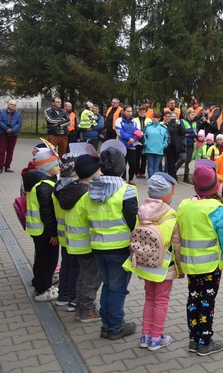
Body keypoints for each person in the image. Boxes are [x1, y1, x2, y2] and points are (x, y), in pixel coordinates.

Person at [84, 141, 139, 339]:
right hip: (119, 248)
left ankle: (106, 325)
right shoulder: (127, 190)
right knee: (118, 289)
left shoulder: (92, 189)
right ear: (121, 167)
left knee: (108, 285)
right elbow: (134, 221)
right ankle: (115, 326)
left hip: (98, 246)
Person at [176, 164, 223, 356]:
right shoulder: (218, 210)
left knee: (193, 299)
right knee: (207, 302)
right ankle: (205, 342)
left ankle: (193, 339)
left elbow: (178, 235)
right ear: (216, 186)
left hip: (190, 263)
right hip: (210, 266)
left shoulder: (184, 205)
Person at [123, 172, 181, 352]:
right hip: (163, 268)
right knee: (161, 301)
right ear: (169, 194)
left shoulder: (141, 212)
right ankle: (156, 338)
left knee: (149, 298)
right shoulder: (171, 217)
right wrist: (180, 268)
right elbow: (177, 247)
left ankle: (145, 336)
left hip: (144, 265)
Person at [58, 153, 103, 323]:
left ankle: (79, 307)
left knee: (83, 276)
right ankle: (86, 310)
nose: (101, 173)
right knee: (91, 278)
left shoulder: (70, 190)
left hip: (74, 242)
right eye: (98, 170)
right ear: (92, 173)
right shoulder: (87, 195)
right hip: (87, 243)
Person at [24, 147, 61, 301]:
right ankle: (42, 290)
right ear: (47, 167)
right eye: (56, 165)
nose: (59, 168)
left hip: (36, 229)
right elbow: (48, 212)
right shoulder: (45, 186)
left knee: (40, 257)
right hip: (45, 231)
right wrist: (53, 233)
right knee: (47, 259)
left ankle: (38, 280)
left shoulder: (35, 180)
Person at [53, 153, 82, 312]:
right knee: (77, 268)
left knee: (66, 264)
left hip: (63, 234)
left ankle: (62, 296)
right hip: (78, 235)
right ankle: (73, 299)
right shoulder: (79, 188)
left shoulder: (57, 186)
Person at [115, 105, 141, 185]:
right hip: (122, 145)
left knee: (133, 163)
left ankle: (131, 179)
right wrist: (129, 139)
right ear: (123, 111)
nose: (129, 113)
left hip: (132, 145)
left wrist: (133, 139)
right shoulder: (119, 120)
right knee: (123, 163)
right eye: (128, 111)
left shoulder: (135, 121)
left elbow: (138, 132)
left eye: (131, 111)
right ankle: (123, 178)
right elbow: (119, 132)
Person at [0, 99, 22, 174]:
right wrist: (6, 129)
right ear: (8, 105)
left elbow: (19, 123)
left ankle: (7, 167)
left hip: (13, 135)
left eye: (14, 105)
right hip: (3, 134)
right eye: (12, 104)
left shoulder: (18, 114)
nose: (13, 106)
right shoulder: (2, 112)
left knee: (10, 151)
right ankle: (0, 167)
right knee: (2, 151)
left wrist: (13, 130)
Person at [143, 112, 169, 177]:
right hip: (149, 149)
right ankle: (151, 179)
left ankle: (155, 180)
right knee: (150, 165)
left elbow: (167, 138)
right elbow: (143, 135)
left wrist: (164, 145)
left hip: (159, 149)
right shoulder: (148, 127)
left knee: (156, 166)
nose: (153, 119)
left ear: (159, 118)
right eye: (152, 117)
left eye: (155, 117)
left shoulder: (164, 128)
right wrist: (146, 143)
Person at [164, 111, 186, 179]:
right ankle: (172, 177)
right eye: (172, 116)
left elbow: (183, 132)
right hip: (169, 147)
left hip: (177, 147)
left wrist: (179, 124)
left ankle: (172, 174)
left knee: (175, 162)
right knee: (170, 162)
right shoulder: (167, 125)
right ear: (169, 117)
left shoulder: (179, 125)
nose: (173, 118)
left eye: (175, 117)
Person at [134, 106, 152, 179]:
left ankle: (142, 172)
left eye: (143, 112)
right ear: (138, 112)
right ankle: (137, 171)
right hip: (137, 141)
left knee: (144, 158)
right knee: (137, 157)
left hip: (146, 141)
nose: (142, 113)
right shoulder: (134, 120)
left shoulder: (149, 120)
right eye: (140, 112)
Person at [181, 109, 199, 183]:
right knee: (182, 158)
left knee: (188, 160)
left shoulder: (194, 123)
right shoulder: (183, 121)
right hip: (184, 143)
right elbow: (183, 131)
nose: (193, 116)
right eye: (192, 114)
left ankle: (186, 175)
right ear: (188, 115)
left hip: (191, 143)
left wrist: (190, 133)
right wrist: (191, 131)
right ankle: (174, 170)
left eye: (194, 114)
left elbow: (196, 134)